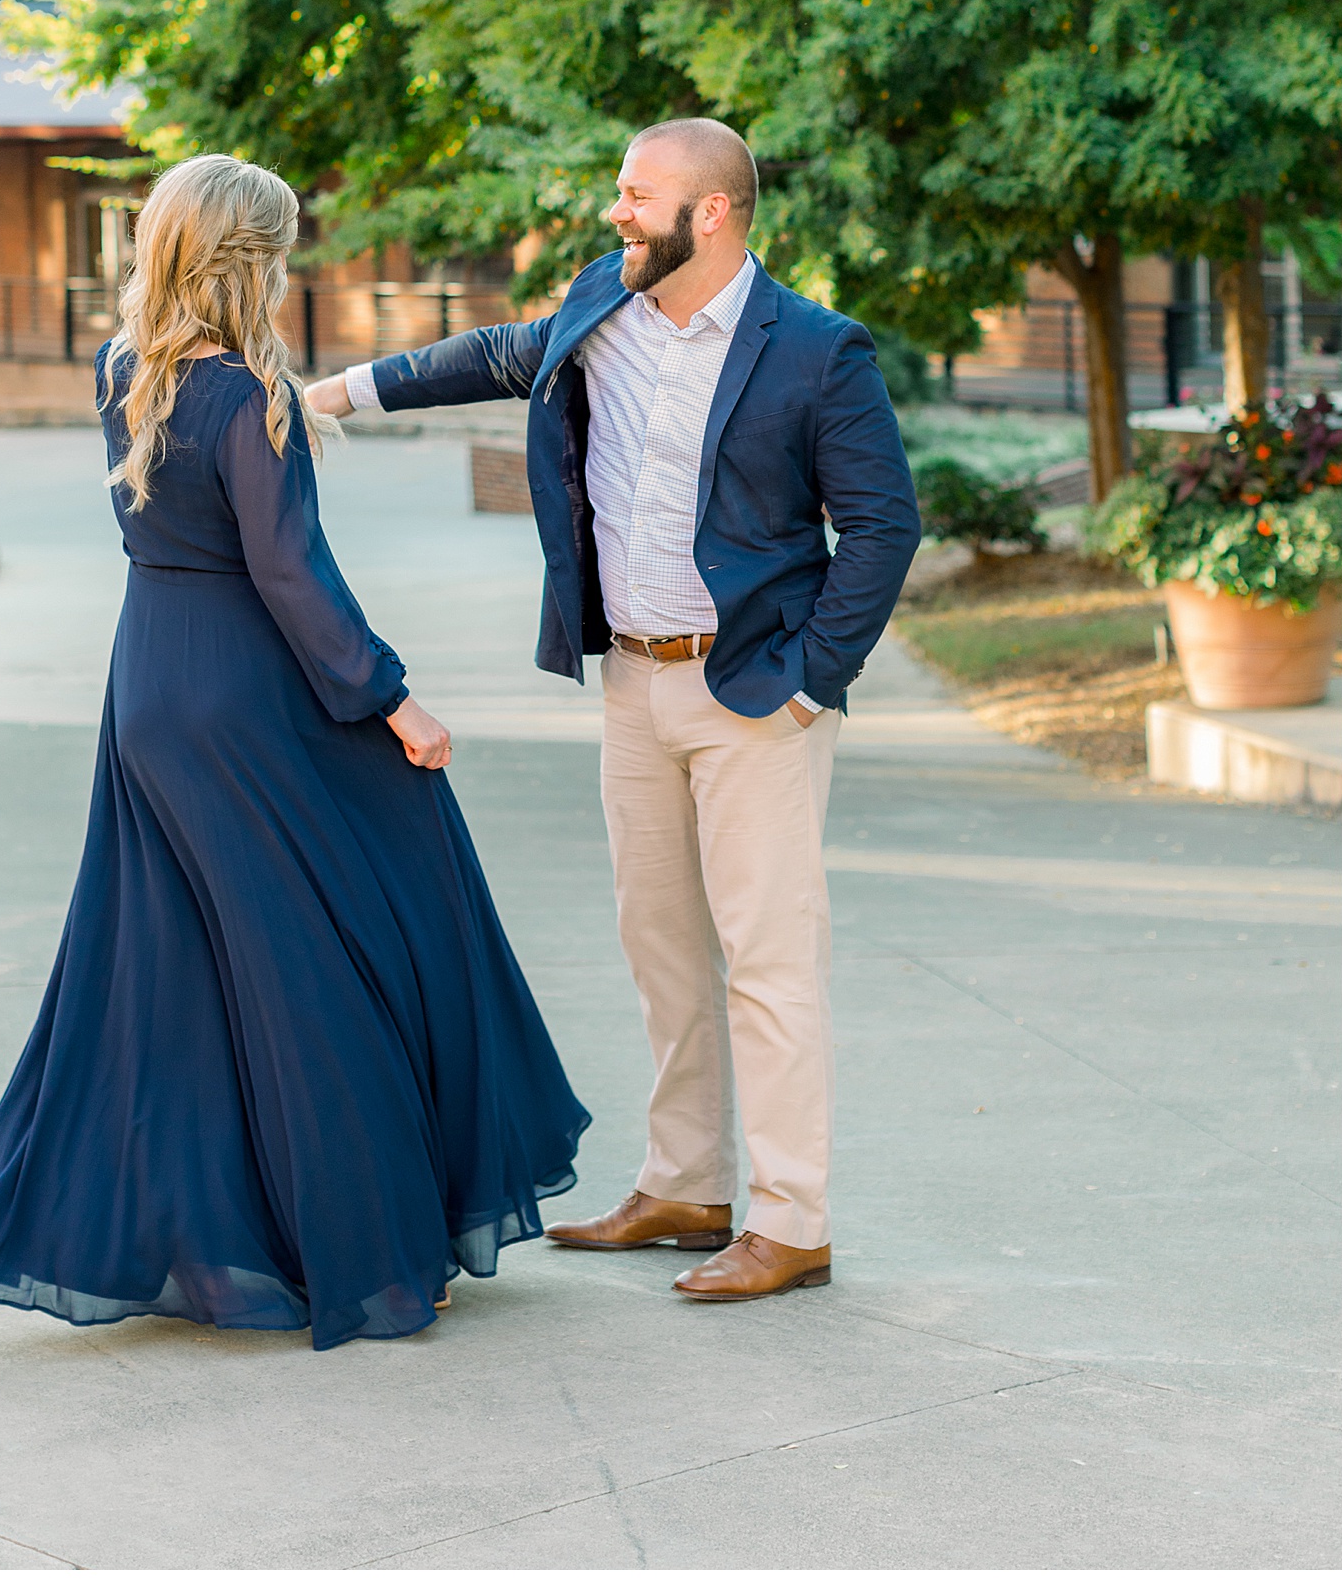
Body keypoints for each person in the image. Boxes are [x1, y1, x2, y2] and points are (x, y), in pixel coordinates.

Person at [0, 154, 589, 1353]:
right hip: (243, 691)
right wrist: (392, 697)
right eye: (281, 245)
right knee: (338, 944)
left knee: (184, 967)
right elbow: (289, 574)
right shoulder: (249, 397)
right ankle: (371, 1249)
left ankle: (233, 1243)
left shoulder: (123, 367)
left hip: (150, 686)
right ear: (250, 261)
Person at [308, 119, 919, 1304]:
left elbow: (883, 526)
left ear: (715, 213)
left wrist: (808, 681)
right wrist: (332, 393)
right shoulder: (606, 301)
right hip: (634, 684)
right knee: (661, 945)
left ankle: (792, 1219)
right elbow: (496, 352)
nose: (616, 212)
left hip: (753, 696)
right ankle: (687, 1183)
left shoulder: (817, 349)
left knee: (769, 958)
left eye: (638, 195)